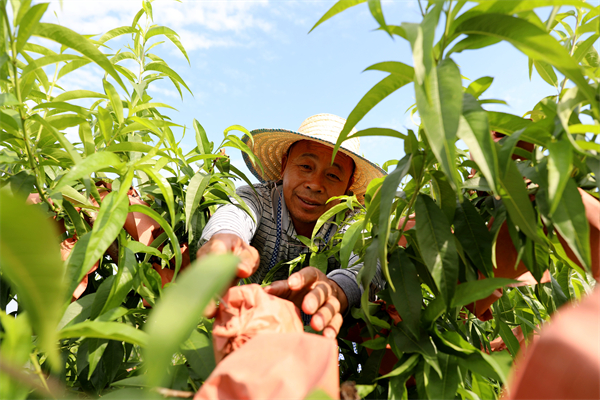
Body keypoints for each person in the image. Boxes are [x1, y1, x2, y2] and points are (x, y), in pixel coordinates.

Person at [196, 113, 386, 338]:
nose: (315, 184)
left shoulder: (352, 222)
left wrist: (337, 289)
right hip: (247, 330)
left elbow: (368, 265)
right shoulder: (259, 198)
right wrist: (225, 240)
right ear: (285, 164)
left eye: (333, 175)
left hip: (317, 344)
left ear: (348, 187)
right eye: (306, 166)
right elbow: (235, 213)